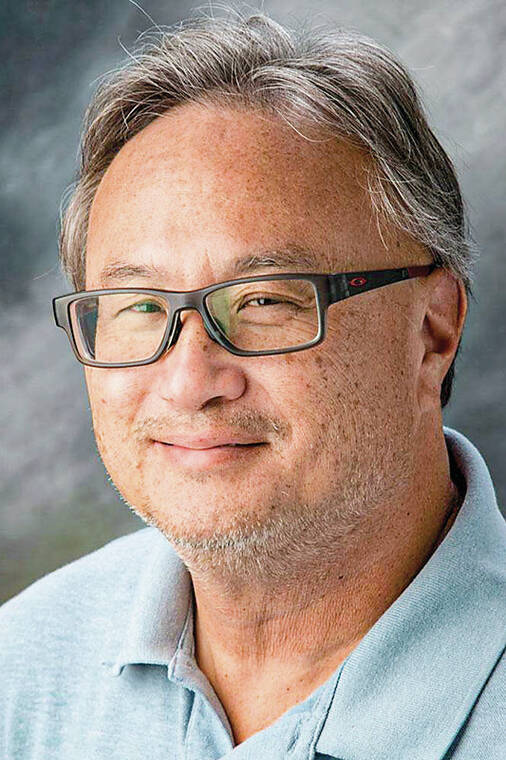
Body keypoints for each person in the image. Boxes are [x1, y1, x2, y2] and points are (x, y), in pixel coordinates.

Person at [1, 8, 504, 760]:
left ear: (432, 330)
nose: (188, 383)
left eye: (265, 301)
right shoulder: (21, 671)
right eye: (140, 306)